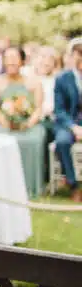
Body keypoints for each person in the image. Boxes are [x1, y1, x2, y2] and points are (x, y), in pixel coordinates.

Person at [0, 46, 47, 199]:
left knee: (33, 140)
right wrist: (6, 123)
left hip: (29, 125)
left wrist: (27, 124)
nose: (11, 62)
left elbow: (38, 109)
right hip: (4, 125)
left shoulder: (34, 82)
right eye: (7, 59)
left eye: (14, 58)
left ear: (22, 61)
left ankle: (30, 187)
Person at [51, 39, 82, 202]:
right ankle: (73, 185)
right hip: (67, 123)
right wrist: (73, 127)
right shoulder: (62, 78)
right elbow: (59, 110)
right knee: (62, 141)